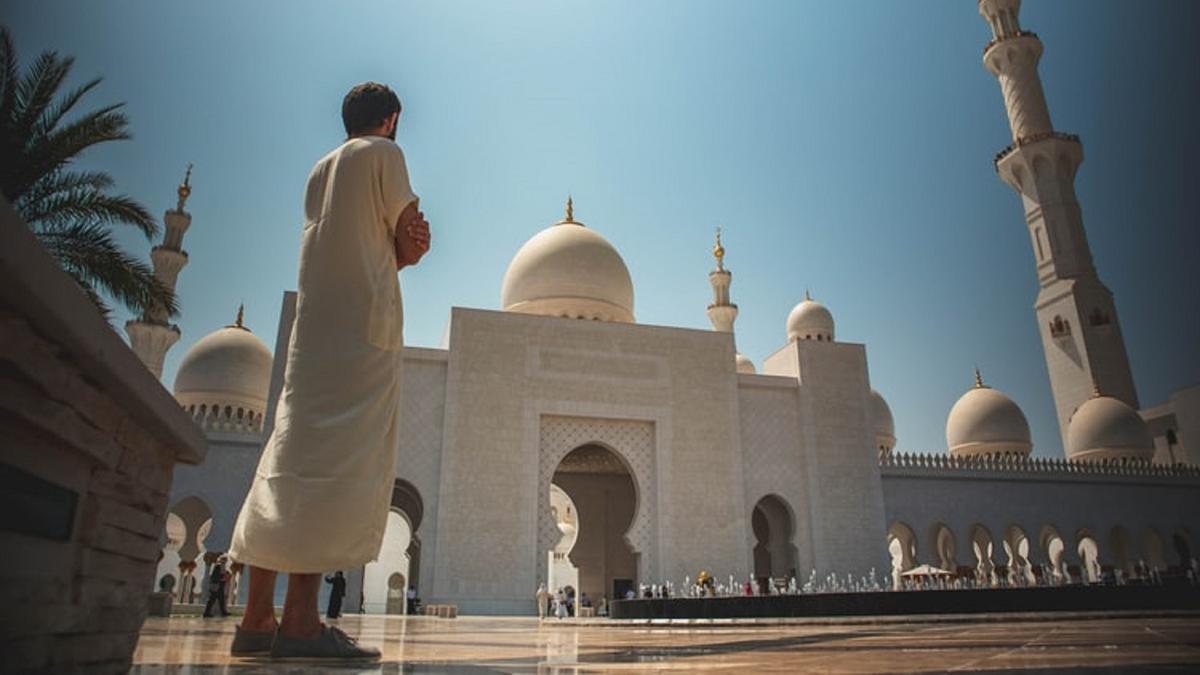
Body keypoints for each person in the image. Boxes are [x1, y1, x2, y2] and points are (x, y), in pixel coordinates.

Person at [227, 81, 431, 661]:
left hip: (312, 334)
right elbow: (408, 240)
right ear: (391, 120)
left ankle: (255, 617)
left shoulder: (320, 170)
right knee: (335, 466)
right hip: (361, 331)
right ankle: (300, 623)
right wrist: (416, 243)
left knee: (289, 460)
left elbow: (359, 239)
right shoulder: (386, 155)